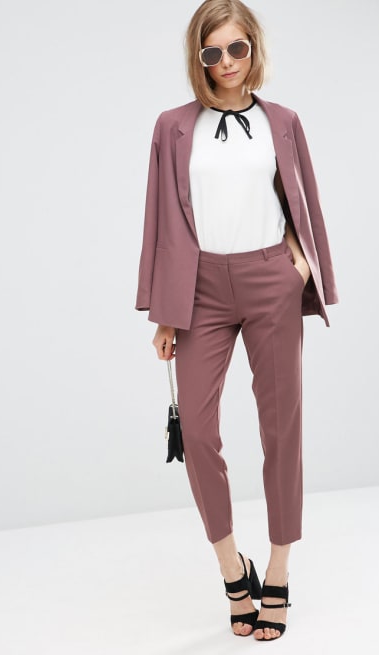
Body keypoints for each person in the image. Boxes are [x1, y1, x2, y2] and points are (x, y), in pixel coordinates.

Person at [135, 0, 338, 642]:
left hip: (270, 279)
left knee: (282, 428)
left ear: (254, 47)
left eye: (237, 48)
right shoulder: (173, 127)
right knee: (197, 432)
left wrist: (299, 266)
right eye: (212, 52)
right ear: (198, 58)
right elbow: (162, 218)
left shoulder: (283, 122)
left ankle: (277, 568)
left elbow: (301, 200)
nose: (226, 62)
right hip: (200, 291)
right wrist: (164, 311)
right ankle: (233, 568)